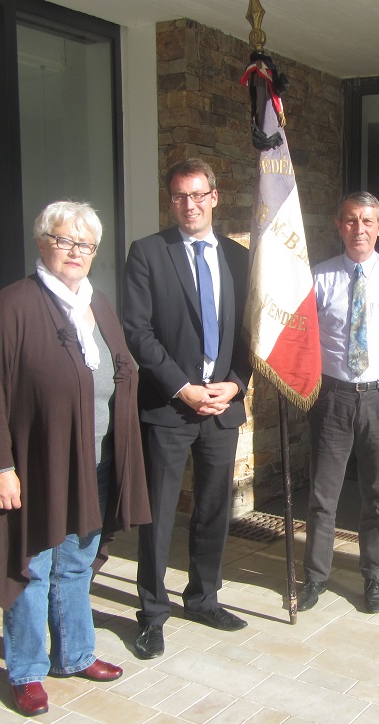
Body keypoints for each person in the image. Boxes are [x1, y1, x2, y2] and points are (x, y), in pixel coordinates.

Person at [0, 200, 150, 716]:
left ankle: (75, 654)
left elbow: (119, 372)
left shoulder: (99, 303)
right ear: (41, 241)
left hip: (94, 463)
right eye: (65, 240)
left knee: (76, 563)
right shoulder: (14, 304)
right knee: (32, 566)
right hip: (37, 467)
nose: (76, 252)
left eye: (86, 244)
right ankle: (25, 670)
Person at [123, 158, 252, 659]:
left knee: (214, 510)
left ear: (215, 197)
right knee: (158, 516)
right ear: (170, 200)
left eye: (198, 195)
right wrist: (182, 387)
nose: (190, 205)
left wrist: (235, 386)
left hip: (221, 407)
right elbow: (138, 332)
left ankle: (203, 597)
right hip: (169, 409)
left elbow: (249, 336)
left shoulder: (240, 260)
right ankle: (152, 614)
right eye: (180, 196)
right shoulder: (148, 253)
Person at [297, 192, 379, 613]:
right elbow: (300, 338)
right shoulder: (318, 278)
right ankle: (315, 577)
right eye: (351, 221)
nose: (359, 229)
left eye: (367, 221)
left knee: (377, 493)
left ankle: (373, 574)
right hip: (332, 398)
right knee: (324, 495)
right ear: (339, 225)